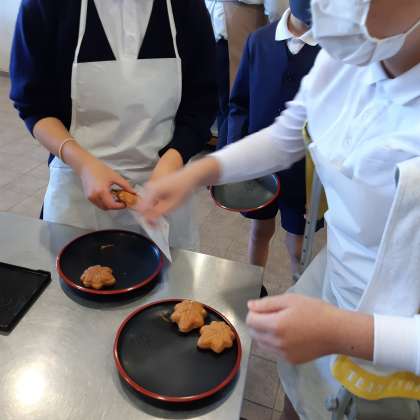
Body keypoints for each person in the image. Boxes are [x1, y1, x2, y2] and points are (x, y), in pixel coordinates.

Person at [137, 0, 420, 418]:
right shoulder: (347, 61)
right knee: (301, 399)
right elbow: (286, 136)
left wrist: (344, 332)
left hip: (394, 345)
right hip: (336, 284)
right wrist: (198, 172)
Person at [10, 0, 217, 250]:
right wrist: (85, 165)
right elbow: (34, 105)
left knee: (169, 274)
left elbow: (202, 102)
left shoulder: (186, 6)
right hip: (78, 190)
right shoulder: (46, 5)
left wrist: (174, 158)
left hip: (163, 187)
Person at [226, 0, 320, 276]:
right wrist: (235, 153)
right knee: (259, 230)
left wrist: (325, 189)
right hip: (260, 166)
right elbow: (239, 102)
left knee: (298, 243)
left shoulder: (332, 51)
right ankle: (253, 288)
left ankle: (296, 290)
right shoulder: (259, 41)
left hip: (305, 172)